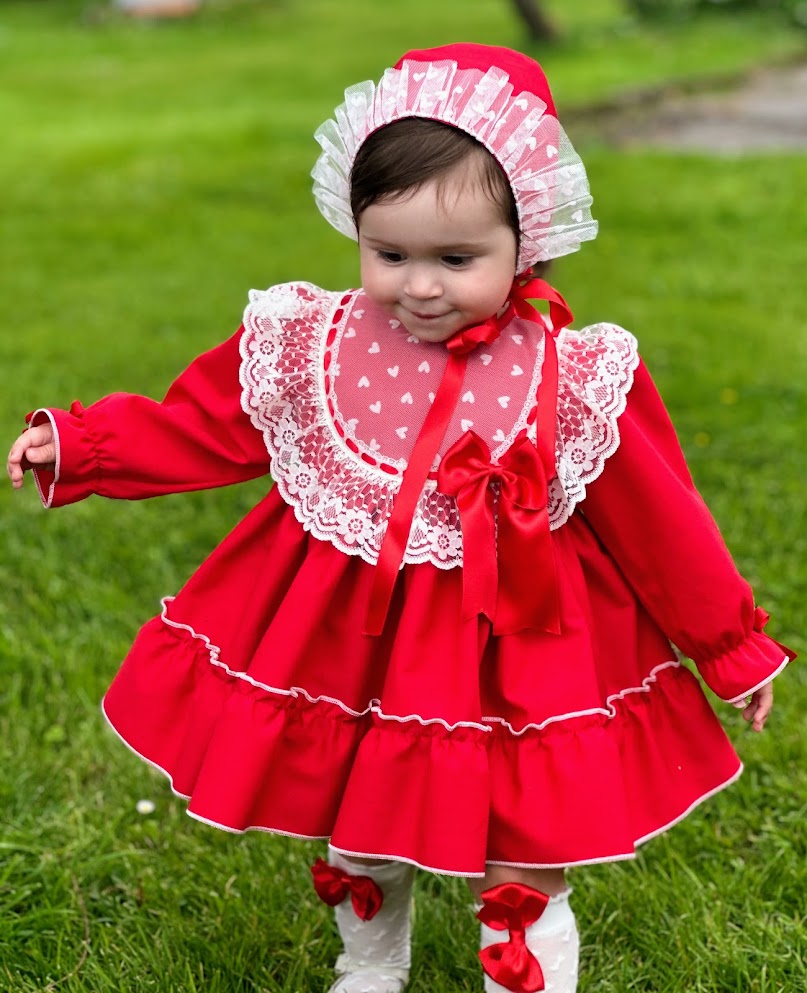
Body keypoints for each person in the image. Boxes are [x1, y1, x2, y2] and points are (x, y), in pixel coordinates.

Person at [6, 43, 795, 993]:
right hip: (356, 636)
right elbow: (208, 420)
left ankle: (524, 974)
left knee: (525, 843)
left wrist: (729, 645)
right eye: (389, 254)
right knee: (361, 813)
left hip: (522, 649)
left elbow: (661, 523)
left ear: (527, 241)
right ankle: (370, 963)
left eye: (456, 260)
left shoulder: (572, 375)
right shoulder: (318, 341)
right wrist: (85, 446)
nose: (418, 285)